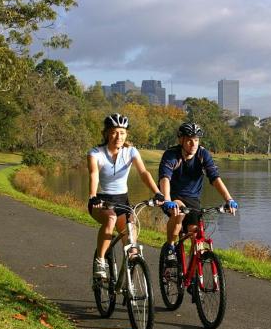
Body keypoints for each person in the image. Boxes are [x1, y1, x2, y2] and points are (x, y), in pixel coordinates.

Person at [88, 113, 164, 279]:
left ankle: (129, 283)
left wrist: (157, 193)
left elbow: (143, 173)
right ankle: (100, 261)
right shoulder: (96, 153)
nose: (118, 136)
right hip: (101, 201)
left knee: (132, 247)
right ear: (106, 133)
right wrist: (93, 196)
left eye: (122, 133)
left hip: (122, 201)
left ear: (126, 134)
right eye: (114, 132)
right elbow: (94, 174)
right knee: (110, 219)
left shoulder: (131, 152)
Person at [158, 122, 238, 263]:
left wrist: (229, 199)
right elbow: (165, 178)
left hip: (193, 199)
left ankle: (193, 270)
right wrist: (167, 200)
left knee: (196, 235)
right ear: (181, 140)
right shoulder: (171, 155)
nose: (193, 143)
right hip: (173, 195)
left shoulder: (202, 154)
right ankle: (170, 246)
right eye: (189, 140)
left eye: (196, 140)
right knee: (179, 213)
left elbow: (214, 178)